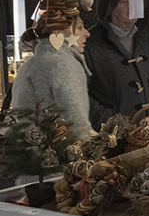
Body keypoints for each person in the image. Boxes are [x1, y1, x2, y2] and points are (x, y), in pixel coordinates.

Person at [83, 0, 149, 129]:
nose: (131, 7)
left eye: (134, 1)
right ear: (109, 7)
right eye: (124, 2)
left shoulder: (146, 41)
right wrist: (111, 122)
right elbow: (82, 94)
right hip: (114, 139)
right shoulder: (89, 44)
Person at [11, 10, 93, 141]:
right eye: (80, 28)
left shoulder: (29, 65)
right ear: (61, 33)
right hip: (60, 153)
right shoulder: (65, 65)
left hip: (25, 150)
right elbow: (76, 123)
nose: (87, 33)